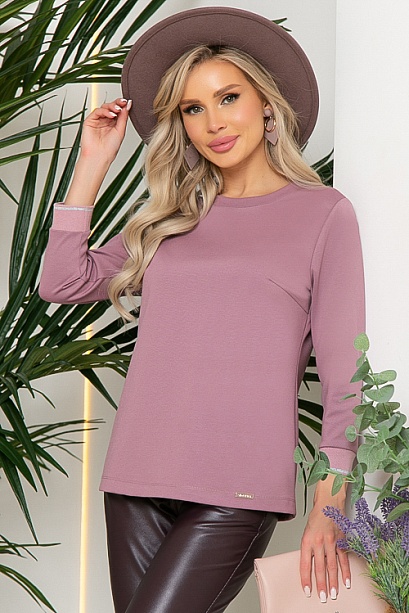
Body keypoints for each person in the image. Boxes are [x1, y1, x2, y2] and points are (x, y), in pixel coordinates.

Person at [39, 7, 365, 613]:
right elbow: (62, 282)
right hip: (136, 478)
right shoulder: (171, 219)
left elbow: (346, 375)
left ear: (266, 104)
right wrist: (92, 162)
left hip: (237, 489)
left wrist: (332, 498)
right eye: (193, 108)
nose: (213, 122)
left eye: (228, 97)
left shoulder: (323, 214)